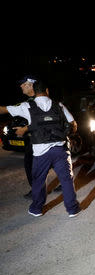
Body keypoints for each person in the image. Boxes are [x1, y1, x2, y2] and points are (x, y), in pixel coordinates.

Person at [0, 80, 80, 217]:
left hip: (40, 151)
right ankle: (72, 209)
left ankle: (36, 209)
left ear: (35, 92)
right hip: (60, 149)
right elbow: (73, 124)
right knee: (66, 180)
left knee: (38, 181)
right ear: (47, 91)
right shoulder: (59, 105)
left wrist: (27, 128)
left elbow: (4, 110)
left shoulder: (27, 106)